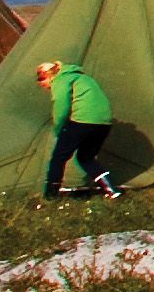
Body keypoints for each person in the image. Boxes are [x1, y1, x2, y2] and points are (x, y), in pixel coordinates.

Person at [30, 47, 121, 201]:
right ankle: (112, 190)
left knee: (59, 156)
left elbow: (61, 106)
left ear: (46, 76)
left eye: (44, 85)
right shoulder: (81, 77)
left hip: (83, 120)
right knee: (86, 157)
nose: (46, 88)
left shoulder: (61, 79)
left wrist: (59, 129)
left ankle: (51, 195)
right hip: (103, 122)